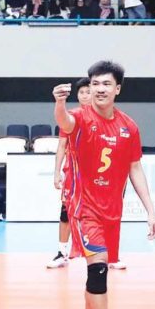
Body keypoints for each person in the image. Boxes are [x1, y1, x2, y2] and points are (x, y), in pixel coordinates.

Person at [52, 61, 155, 309]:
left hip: (112, 211)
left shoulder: (129, 127)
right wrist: (59, 102)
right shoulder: (80, 118)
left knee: (97, 272)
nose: (100, 89)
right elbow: (64, 122)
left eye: (106, 84)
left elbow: (135, 169)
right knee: (98, 268)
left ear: (117, 89)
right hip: (84, 208)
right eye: (95, 83)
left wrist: (150, 210)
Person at [47, 77, 92, 269]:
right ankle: (62, 252)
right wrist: (57, 172)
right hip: (73, 173)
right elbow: (62, 146)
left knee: (100, 215)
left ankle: (110, 254)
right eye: (81, 92)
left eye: (88, 91)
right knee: (66, 212)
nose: (85, 95)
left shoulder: (105, 117)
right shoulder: (70, 116)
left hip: (95, 173)